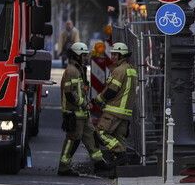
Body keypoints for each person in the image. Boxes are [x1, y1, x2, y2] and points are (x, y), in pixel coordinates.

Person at [57, 42, 108, 176]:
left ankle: (99, 163)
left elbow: (81, 91)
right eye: (84, 55)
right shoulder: (71, 71)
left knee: (91, 136)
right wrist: (83, 104)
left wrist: (86, 105)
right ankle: (63, 166)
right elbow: (69, 93)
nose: (86, 57)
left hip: (83, 114)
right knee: (73, 139)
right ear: (77, 55)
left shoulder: (79, 69)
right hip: (74, 113)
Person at [94, 42, 137, 167]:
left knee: (100, 133)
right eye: (112, 54)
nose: (112, 57)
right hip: (126, 112)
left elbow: (112, 90)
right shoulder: (132, 70)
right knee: (119, 138)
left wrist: (99, 99)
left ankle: (120, 154)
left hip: (114, 110)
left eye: (115, 54)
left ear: (121, 55)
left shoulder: (119, 70)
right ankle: (121, 167)